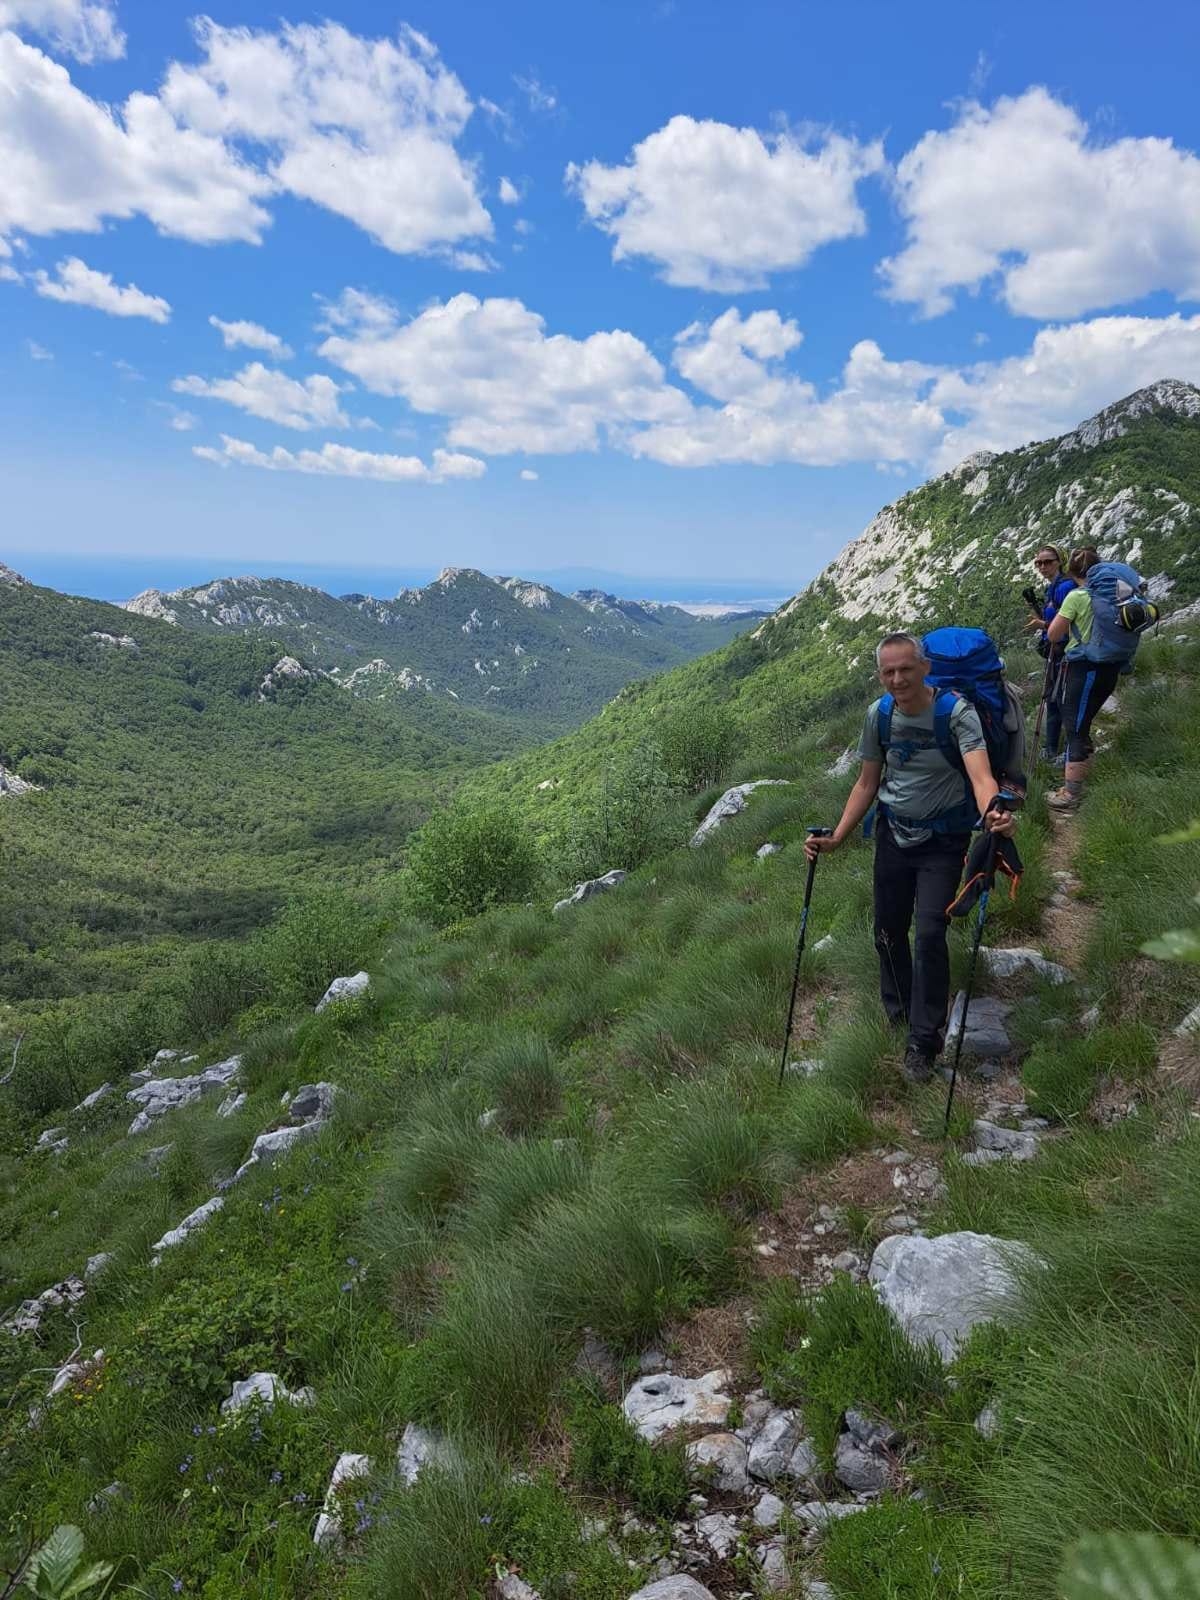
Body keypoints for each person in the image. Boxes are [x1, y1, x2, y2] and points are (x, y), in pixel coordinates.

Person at [805, 632, 1018, 1083]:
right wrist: (838, 837)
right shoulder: (879, 715)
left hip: (943, 840)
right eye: (888, 672)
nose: (897, 679)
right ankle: (900, 1014)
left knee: (929, 935)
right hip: (892, 836)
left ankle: (923, 1041)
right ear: (880, 675)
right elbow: (867, 783)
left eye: (905, 669)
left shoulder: (957, 714)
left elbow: (981, 776)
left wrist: (993, 812)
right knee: (886, 932)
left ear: (925, 668)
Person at [1043, 546, 1129, 813]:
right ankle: (1083, 775)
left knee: (1075, 727)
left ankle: (1071, 794)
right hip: (1111, 667)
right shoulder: (1115, 594)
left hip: (1083, 668)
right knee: (1084, 719)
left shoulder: (1077, 596)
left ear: (1071, 571)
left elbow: (1054, 635)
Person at [1025, 546, 1075, 763]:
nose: (1042, 567)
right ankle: (1052, 749)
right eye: (1039, 563)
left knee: (1063, 700)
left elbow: (1069, 622)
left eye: (1048, 562)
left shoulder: (1065, 587)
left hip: (1065, 651)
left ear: (1060, 561)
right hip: (1054, 651)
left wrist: (1043, 625)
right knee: (1053, 700)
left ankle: (1070, 752)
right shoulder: (1053, 587)